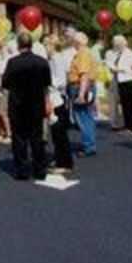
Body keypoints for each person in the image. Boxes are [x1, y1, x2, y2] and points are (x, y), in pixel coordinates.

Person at [1, 32, 50, 181]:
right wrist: (47, 102)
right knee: (37, 137)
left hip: (18, 105)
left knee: (19, 138)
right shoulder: (42, 62)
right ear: (31, 45)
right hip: (36, 104)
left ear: (18, 45)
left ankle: (22, 170)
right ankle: (40, 170)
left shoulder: (12, 62)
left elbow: (5, 84)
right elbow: (46, 84)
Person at [45, 36, 73, 172]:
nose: (45, 48)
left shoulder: (57, 59)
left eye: (46, 45)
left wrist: (48, 82)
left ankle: (65, 163)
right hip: (53, 96)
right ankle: (59, 158)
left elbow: (61, 81)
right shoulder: (52, 59)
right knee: (56, 133)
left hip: (57, 97)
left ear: (52, 46)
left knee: (59, 132)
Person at [68, 32, 97, 157]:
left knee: (83, 117)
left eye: (73, 41)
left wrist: (81, 94)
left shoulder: (83, 54)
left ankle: (88, 146)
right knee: (86, 116)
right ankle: (89, 144)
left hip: (80, 87)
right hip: (83, 86)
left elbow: (84, 75)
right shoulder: (86, 53)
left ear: (77, 42)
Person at [108, 35, 132, 134]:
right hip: (121, 80)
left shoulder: (129, 53)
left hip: (128, 80)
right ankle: (127, 125)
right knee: (125, 105)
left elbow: (131, 66)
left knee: (129, 105)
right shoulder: (119, 53)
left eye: (117, 44)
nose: (116, 46)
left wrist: (117, 69)